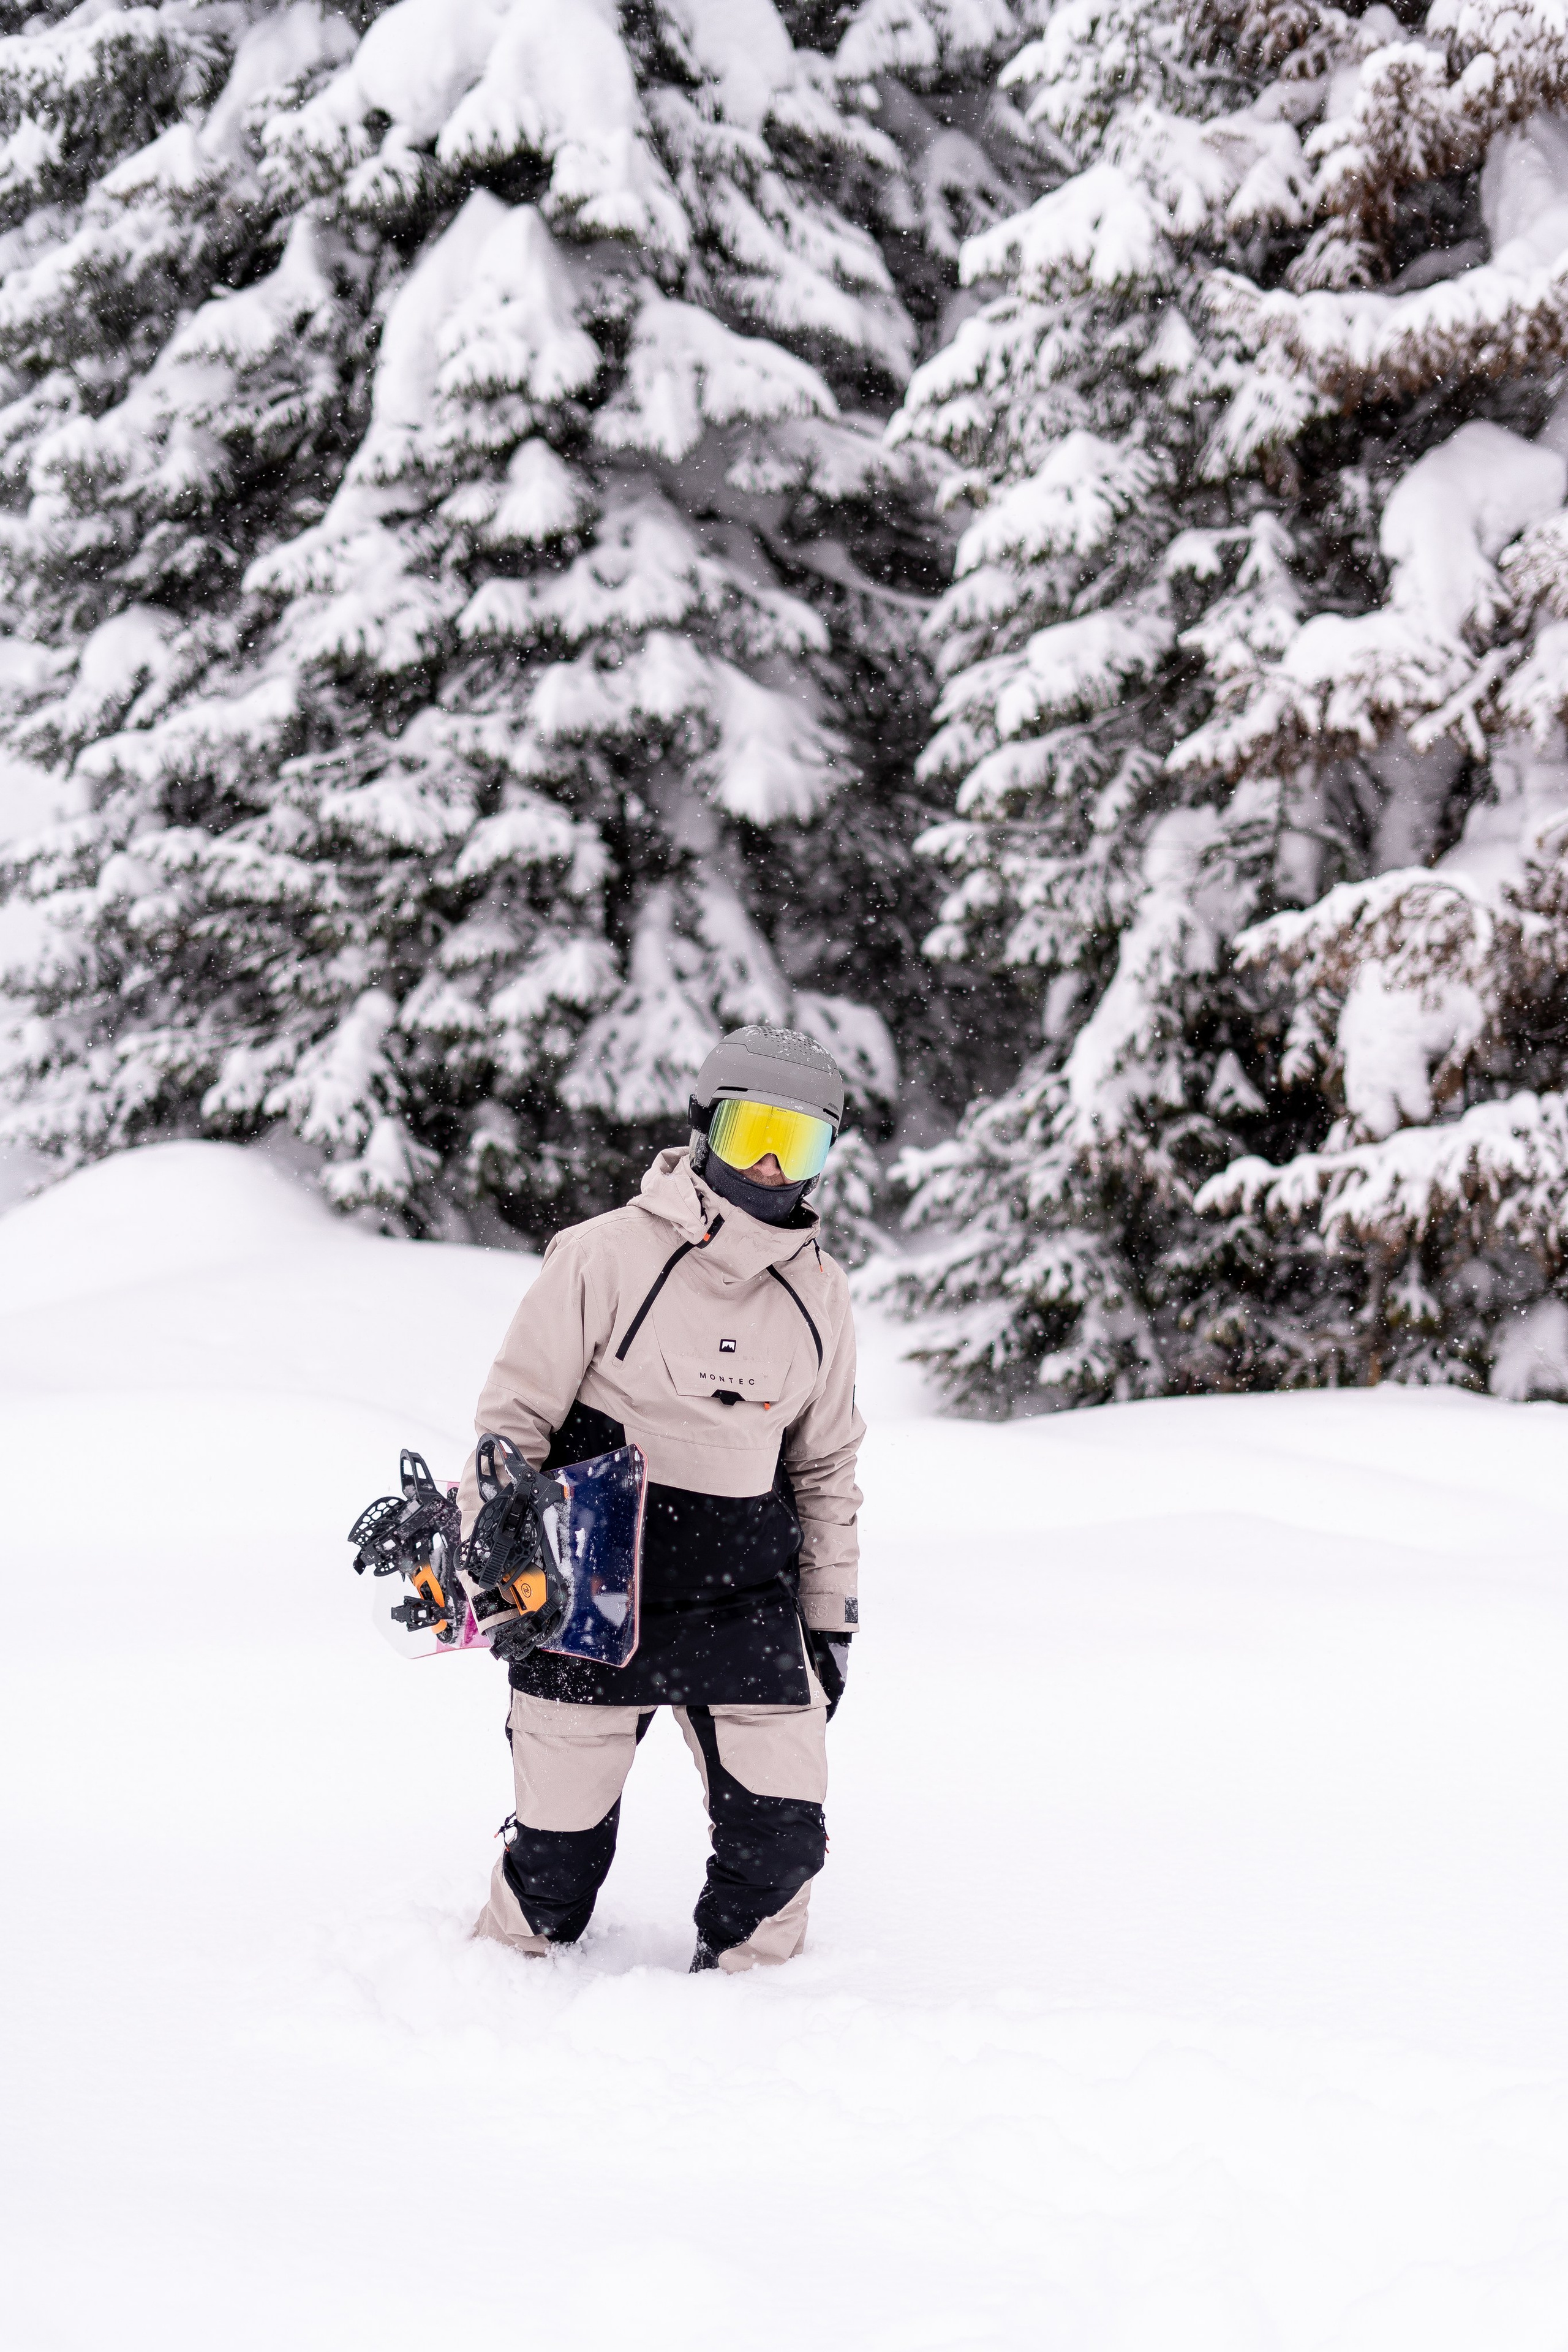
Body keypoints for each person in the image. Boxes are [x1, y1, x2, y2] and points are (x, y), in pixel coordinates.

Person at [461, 1022, 864, 1973]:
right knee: (555, 1870)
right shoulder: (601, 1256)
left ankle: (748, 2021)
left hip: (744, 1593)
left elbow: (825, 1467)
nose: (769, 1165)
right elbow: (511, 1420)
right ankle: (497, 2004)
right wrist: (498, 1553)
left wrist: (831, 1617)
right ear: (703, 1128)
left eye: (797, 1143)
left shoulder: (823, 1294)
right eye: (749, 1133)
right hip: (592, 1589)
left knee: (782, 1847)